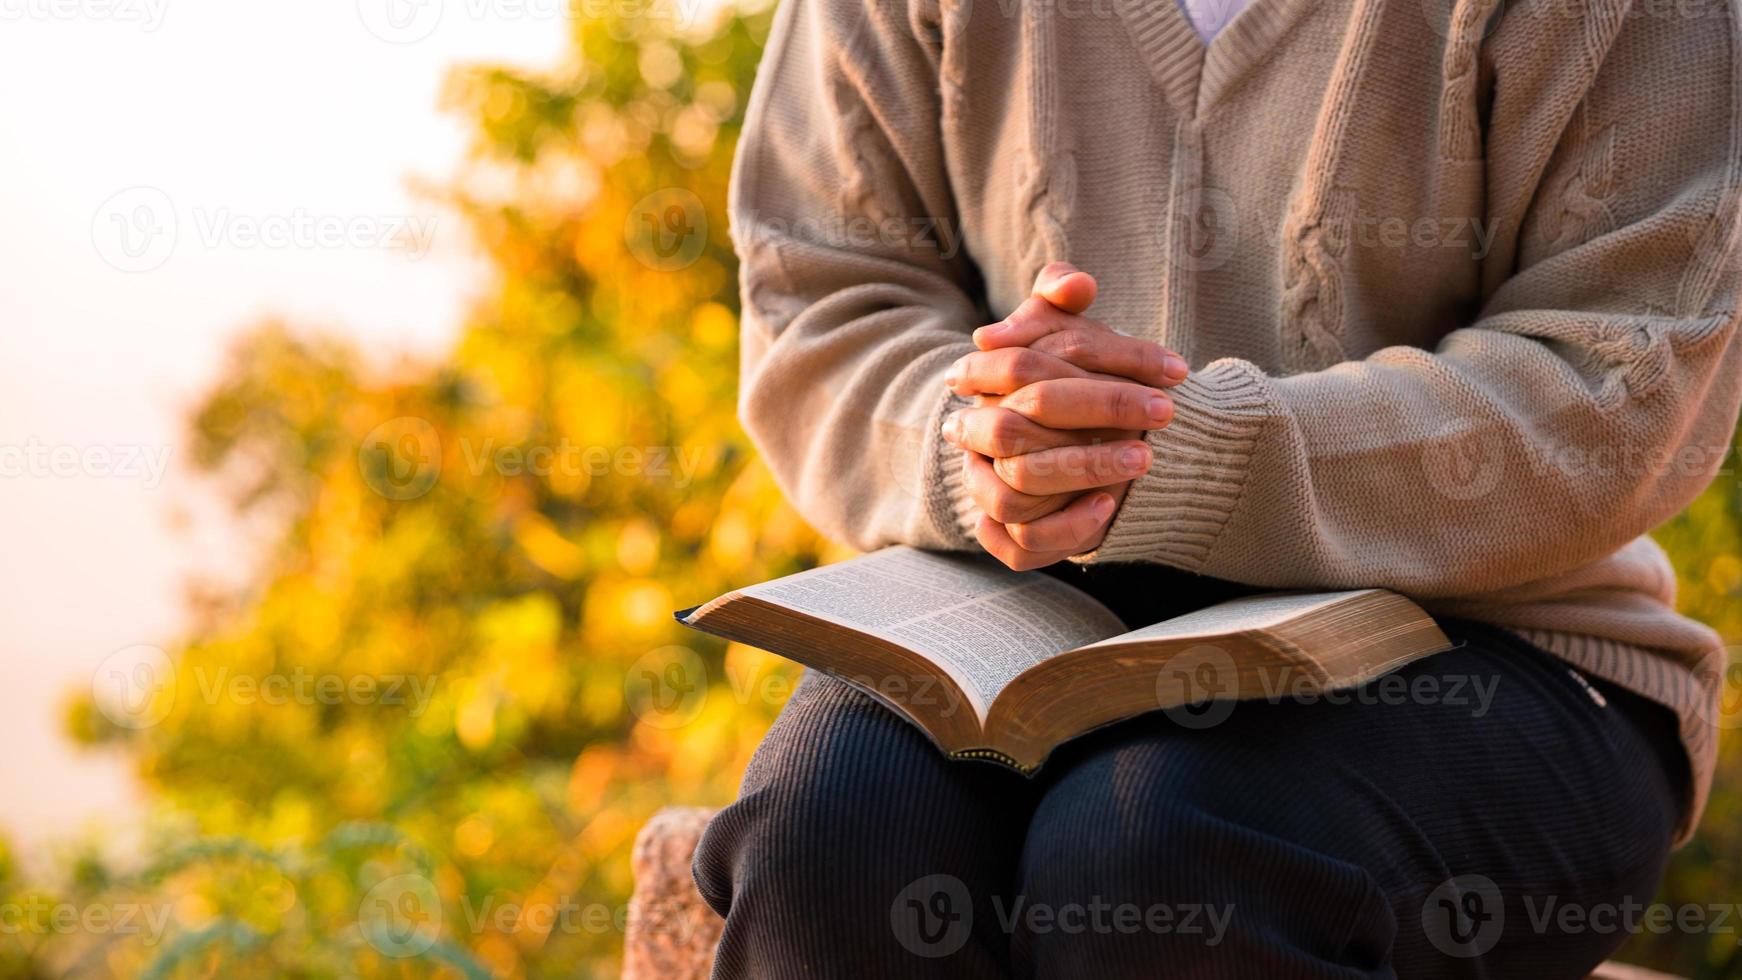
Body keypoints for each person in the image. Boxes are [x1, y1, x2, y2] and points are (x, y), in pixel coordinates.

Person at [692, 0, 1742, 974]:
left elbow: (1622, 372)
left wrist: (1180, 455)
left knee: (1161, 855)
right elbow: (821, 294)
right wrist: (984, 442)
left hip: (1497, 641)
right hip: (1015, 612)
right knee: (824, 843)